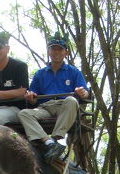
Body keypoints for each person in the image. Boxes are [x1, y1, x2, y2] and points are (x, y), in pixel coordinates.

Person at [18, 32, 90, 162]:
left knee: (71, 100)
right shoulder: (40, 74)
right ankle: (49, 143)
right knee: (24, 113)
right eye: (53, 49)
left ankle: (57, 137)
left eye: (60, 49)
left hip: (64, 106)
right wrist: (30, 96)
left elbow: (84, 91)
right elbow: (33, 96)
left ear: (65, 52)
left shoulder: (73, 72)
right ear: (49, 51)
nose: (56, 52)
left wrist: (82, 92)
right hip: (45, 107)